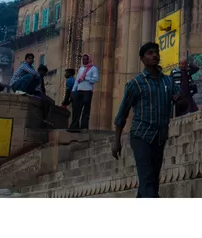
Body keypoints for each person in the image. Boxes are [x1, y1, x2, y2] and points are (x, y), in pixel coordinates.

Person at [112, 42, 181, 198]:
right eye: (150, 53)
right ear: (142, 59)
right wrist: (116, 141)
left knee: (152, 181)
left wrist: (181, 97)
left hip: (160, 136)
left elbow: (180, 98)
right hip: (141, 136)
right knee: (148, 178)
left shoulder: (168, 81)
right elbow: (122, 113)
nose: (154, 55)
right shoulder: (136, 84)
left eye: (156, 52)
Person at [69, 53, 98, 131]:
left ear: (89, 60)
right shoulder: (81, 69)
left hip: (87, 91)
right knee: (76, 109)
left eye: (86, 59)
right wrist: (73, 90)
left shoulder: (93, 68)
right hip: (79, 90)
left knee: (86, 110)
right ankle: (74, 126)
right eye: (83, 59)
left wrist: (86, 77)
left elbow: (95, 79)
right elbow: (77, 80)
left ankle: (84, 126)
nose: (84, 61)